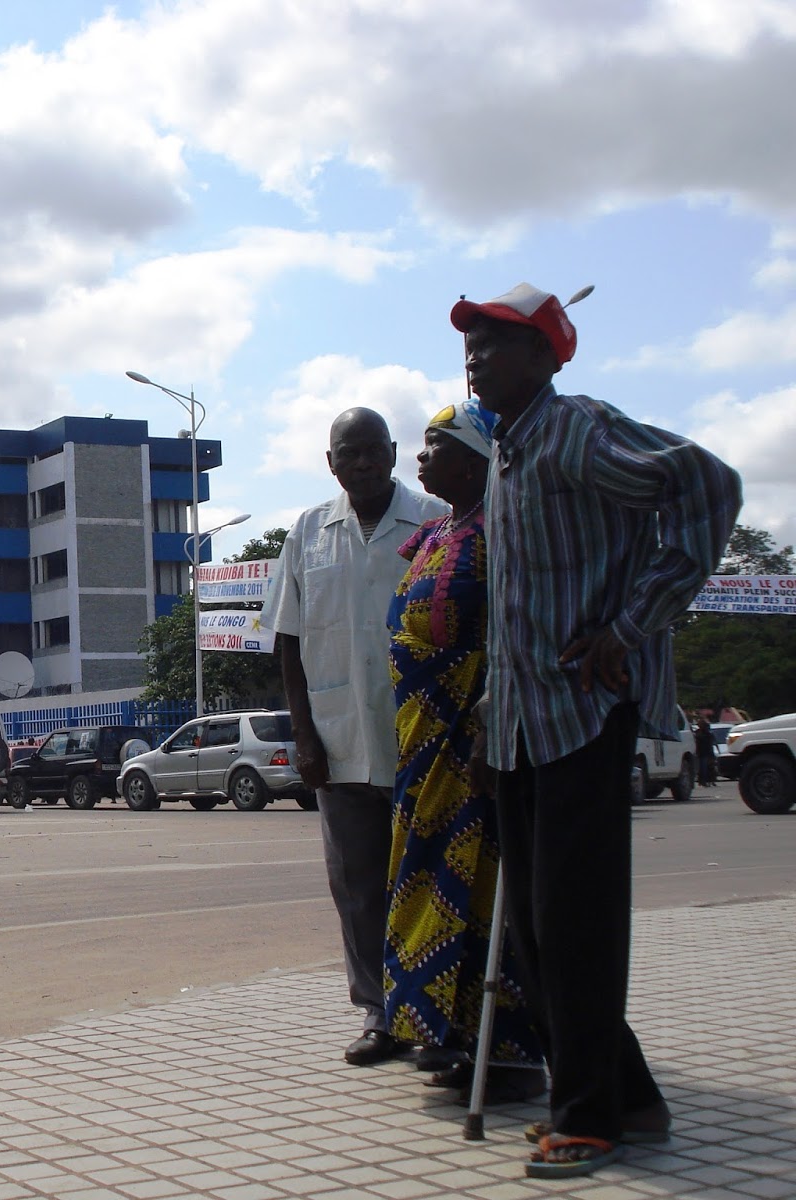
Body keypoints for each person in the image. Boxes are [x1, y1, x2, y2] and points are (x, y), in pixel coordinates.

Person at [454, 283, 741, 1178]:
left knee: (573, 924)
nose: (476, 358)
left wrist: (632, 626)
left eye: (497, 343)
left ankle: (588, 1117)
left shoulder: (575, 429)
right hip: (525, 723)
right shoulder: (507, 451)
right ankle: (631, 1095)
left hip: (583, 712)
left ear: (547, 355)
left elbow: (706, 484)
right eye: (471, 344)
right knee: (538, 929)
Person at [273, 408, 445, 1065]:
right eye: (352, 454)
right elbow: (288, 642)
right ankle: (381, 1015)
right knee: (358, 887)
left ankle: (433, 1013)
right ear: (331, 463)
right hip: (339, 741)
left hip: (422, 738)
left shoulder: (436, 519)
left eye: (375, 451)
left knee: (427, 884)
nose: (365, 464)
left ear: (394, 452)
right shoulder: (310, 532)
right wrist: (304, 735)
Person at [384, 400, 544, 1101]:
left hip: (470, 741)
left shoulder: (503, 533)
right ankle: (445, 1032)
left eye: (437, 445)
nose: (423, 458)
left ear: (479, 461)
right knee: (423, 877)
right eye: (423, 444)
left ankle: (505, 1050)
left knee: (480, 891)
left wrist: (486, 725)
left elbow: (514, 637)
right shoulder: (436, 533)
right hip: (421, 746)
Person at [693, 717, 717, 786]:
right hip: (702, 753)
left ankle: (709, 780)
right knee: (703, 768)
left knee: (709, 767)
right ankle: (703, 781)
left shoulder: (707, 734)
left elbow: (711, 743)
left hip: (707, 752)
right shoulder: (698, 733)